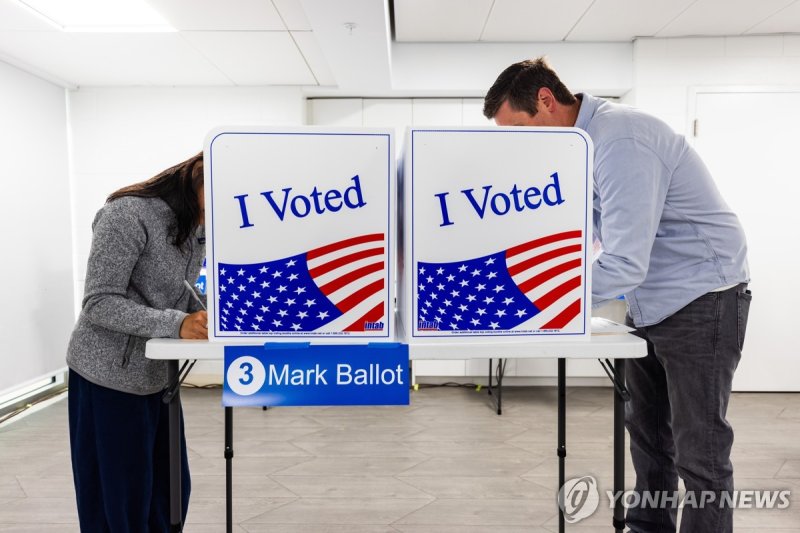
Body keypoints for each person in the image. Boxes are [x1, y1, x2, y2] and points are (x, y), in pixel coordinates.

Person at [484, 57, 751, 533]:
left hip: (703, 297)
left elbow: (626, 260)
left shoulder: (620, 140)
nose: (518, 146)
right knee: (647, 437)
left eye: (518, 130)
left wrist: (550, 301)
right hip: (651, 302)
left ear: (545, 102)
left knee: (700, 450)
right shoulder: (584, 148)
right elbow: (591, 238)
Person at [66, 151, 207, 532]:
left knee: (170, 494)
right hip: (106, 376)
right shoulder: (126, 214)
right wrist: (178, 324)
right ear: (196, 174)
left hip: (157, 378)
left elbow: (177, 285)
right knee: (119, 501)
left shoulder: (196, 225)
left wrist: (209, 311)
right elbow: (100, 302)